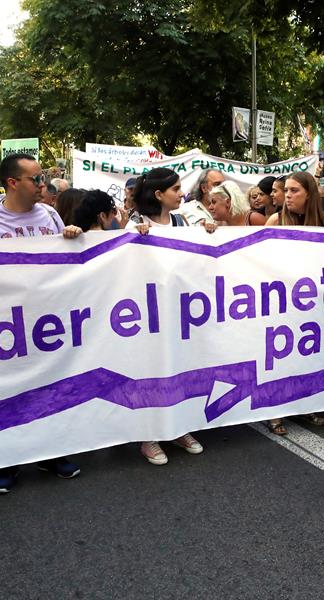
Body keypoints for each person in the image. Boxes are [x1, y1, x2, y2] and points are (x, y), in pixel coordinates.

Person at [0, 153, 83, 492]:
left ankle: (51, 452)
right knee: (10, 391)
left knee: (51, 386)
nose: (44, 185)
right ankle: (7, 460)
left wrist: (73, 236)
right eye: (36, 179)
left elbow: (69, 260)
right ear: (13, 183)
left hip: (49, 322)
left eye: (42, 178)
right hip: (7, 325)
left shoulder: (51, 215)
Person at [124, 167, 205, 463]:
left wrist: (208, 234)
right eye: (176, 189)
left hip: (180, 310)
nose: (182, 193)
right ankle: (149, 436)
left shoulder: (182, 221)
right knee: (152, 370)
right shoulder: (136, 223)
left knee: (179, 367)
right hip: (148, 314)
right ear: (159, 194)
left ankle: (178, 427)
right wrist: (133, 239)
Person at [265, 171, 324, 431]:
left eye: (294, 191)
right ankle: (274, 411)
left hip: (311, 303)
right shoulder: (275, 220)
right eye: (287, 191)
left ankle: (304, 405)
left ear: (309, 194)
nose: (288, 196)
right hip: (279, 301)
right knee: (279, 357)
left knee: (307, 356)